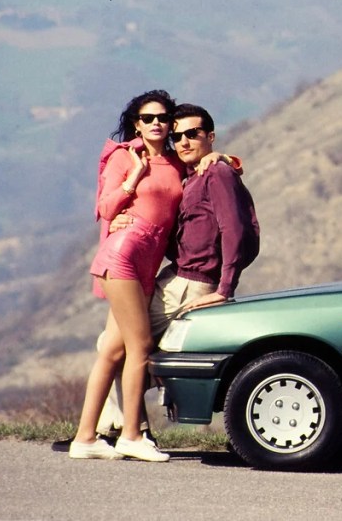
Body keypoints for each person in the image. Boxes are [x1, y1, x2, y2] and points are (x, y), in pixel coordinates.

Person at [70, 91, 231, 461]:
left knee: (112, 349)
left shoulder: (176, 161)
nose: (156, 123)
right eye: (147, 118)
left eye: (163, 117)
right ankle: (130, 435)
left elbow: (206, 166)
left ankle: (84, 439)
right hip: (123, 255)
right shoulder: (125, 156)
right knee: (139, 347)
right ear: (136, 123)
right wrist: (134, 178)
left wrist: (224, 158)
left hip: (147, 264)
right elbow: (105, 207)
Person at [95, 103, 259, 442]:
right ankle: (117, 426)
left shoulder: (216, 173)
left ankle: (123, 431)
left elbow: (235, 231)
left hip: (193, 283)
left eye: (193, 134)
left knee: (123, 349)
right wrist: (123, 219)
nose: (183, 141)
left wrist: (225, 288)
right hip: (175, 275)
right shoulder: (195, 173)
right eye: (178, 134)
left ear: (209, 136)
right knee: (112, 346)